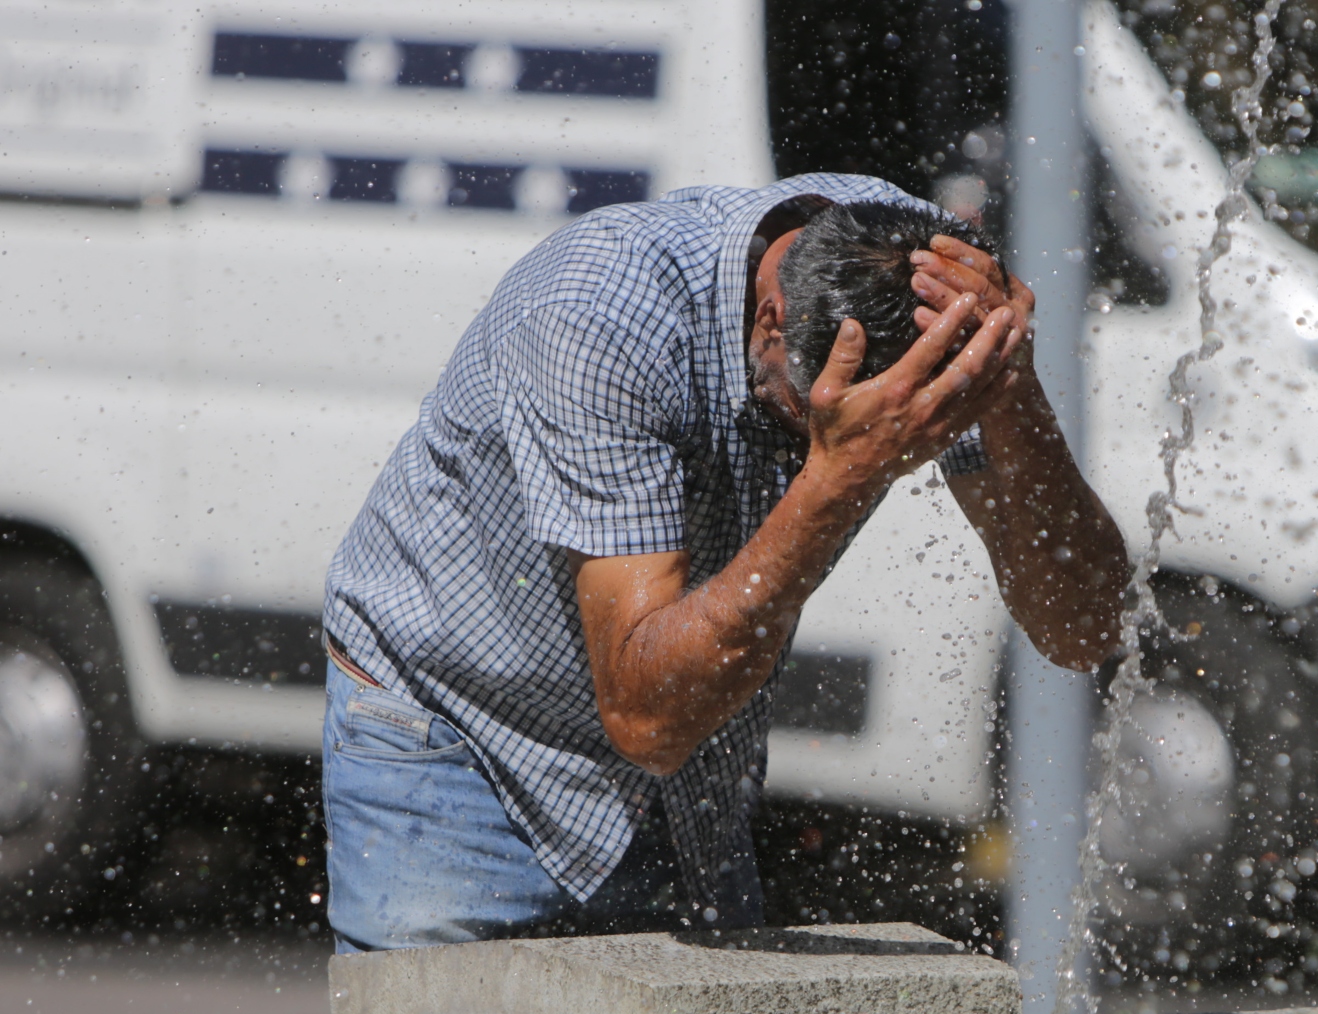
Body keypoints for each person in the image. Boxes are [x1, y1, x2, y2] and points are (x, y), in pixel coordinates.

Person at [318, 174, 1129, 952]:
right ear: (771, 322)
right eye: (803, 422)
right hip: (460, 743)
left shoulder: (938, 294)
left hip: (686, 755)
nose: (852, 452)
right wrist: (838, 477)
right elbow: (648, 716)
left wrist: (1011, 388)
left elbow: (1082, 632)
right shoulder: (593, 316)